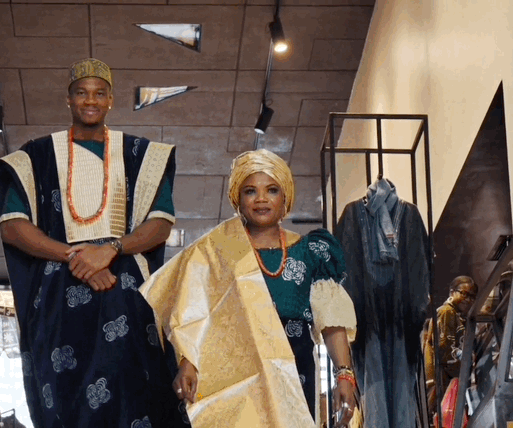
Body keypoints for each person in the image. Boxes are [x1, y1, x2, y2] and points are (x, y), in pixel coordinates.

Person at [0, 58, 187, 428]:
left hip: (126, 289)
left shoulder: (140, 154)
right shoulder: (37, 155)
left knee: (135, 392)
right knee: (65, 397)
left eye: (99, 93)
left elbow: (161, 224)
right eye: (81, 93)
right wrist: (76, 257)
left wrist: (110, 250)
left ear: (111, 99)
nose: (90, 100)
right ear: (68, 99)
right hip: (58, 295)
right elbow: (12, 226)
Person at [140, 149, 358, 428]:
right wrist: (187, 362)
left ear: (285, 197)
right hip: (235, 374)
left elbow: (331, 321)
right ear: (238, 200)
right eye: (250, 191)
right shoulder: (216, 252)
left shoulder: (310, 251)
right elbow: (192, 313)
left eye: (272, 190)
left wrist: (344, 374)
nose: (261, 199)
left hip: (294, 371)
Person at [334, 178, 431, 428]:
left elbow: (421, 269)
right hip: (368, 323)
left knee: (399, 389)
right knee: (375, 388)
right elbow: (341, 271)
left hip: (400, 323)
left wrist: (416, 314)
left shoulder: (410, 215)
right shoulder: (352, 215)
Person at [423, 276, 477, 422]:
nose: (468, 300)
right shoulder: (446, 311)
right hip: (440, 379)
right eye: (464, 294)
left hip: (446, 377)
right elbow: (444, 349)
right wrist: (464, 368)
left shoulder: (457, 316)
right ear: (452, 292)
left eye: (472, 297)